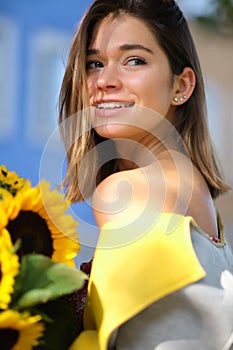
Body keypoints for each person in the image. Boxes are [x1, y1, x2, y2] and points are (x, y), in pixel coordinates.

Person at [58, 0, 233, 349]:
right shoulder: (196, 196)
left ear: (181, 86)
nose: (105, 81)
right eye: (94, 64)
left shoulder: (125, 190)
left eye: (134, 60)